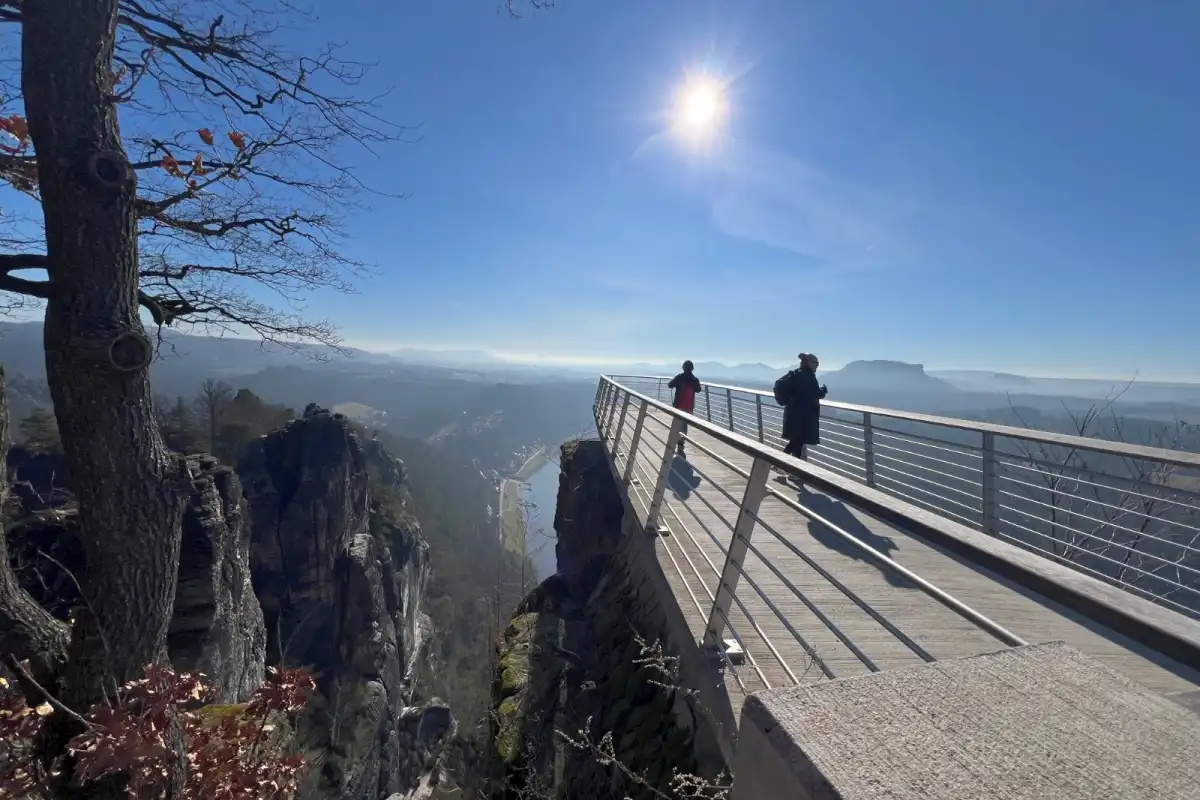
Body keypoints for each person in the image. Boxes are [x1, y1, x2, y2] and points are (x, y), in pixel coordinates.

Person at [775, 352, 828, 471]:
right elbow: (816, 393)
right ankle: (795, 472)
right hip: (803, 416)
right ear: (809, 363)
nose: (817, 366)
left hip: (793, 414)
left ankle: (779, 465)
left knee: (795, 441)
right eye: (816, 363)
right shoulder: (808, 376)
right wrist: (823, 390)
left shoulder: (795, 374)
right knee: (797, 442)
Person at [668, 360, 702, 455]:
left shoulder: (679, 377)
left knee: (676, 424)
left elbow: (670, 385)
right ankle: (681, 445)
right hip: (688, 406)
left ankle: (673, 443)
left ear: (683, 368)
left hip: (678, 405)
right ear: (692, 368)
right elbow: (698, 390)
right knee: (684, 426)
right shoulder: (695, 379)